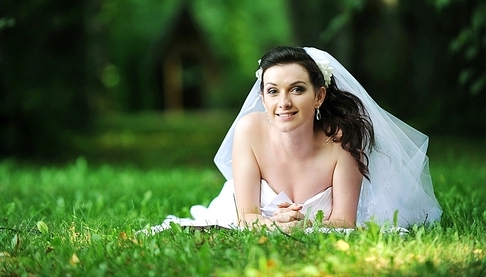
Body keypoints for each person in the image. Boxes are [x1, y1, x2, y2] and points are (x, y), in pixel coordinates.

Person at [141, 46, 442, 235]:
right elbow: (247, 217)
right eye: (272, 91)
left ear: (319, 96)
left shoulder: (342, 144)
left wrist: (306, 224)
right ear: (262, 97)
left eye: (297, 89)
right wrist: (276, 224)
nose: (283, 102)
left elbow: (343, 222)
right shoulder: (250, 130)